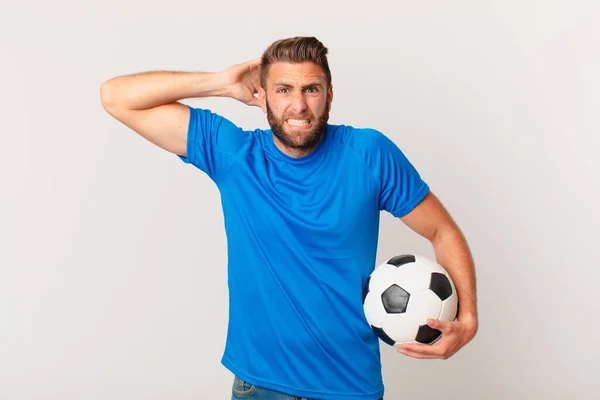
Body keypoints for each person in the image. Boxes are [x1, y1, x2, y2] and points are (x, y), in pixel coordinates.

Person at [100, 36, 478, 400]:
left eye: (311, 89)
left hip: (349, 386)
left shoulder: (369, 153)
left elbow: (441, 230)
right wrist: (220, 83)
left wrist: (468, 318)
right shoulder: (233, 154)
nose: (298, 104)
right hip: (258, 387)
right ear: (260, 96)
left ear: (329, 95)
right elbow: (115, 97)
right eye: (283, 90)